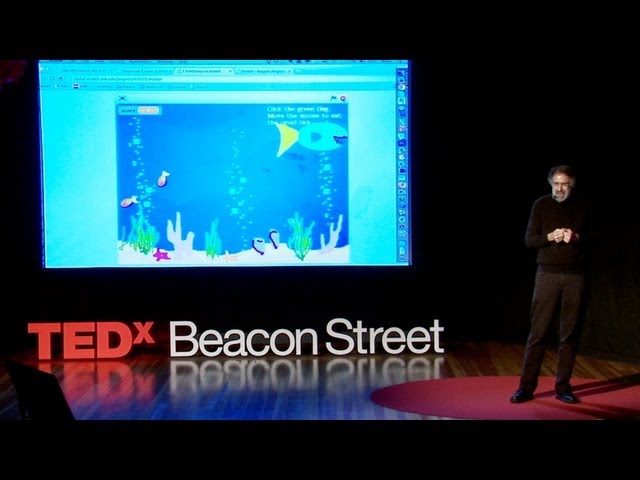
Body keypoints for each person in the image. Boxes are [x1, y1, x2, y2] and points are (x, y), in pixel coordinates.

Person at [510, 165, 591, 404]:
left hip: (575, 276)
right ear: (550, 184)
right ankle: (526, 387)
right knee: (538, 333)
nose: (560, 188)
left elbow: (597, 239)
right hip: (547, 275)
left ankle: (563, 387)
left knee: (569, 334)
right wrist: (549, 237)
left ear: (572, 185)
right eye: (556, 184)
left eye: (564, 184)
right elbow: (529, 240)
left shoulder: (584, 205)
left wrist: (576, 237)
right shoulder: (541, 205)